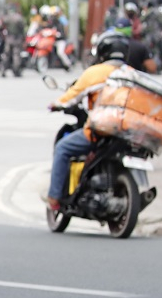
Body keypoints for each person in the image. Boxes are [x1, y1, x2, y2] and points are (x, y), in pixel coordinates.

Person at [43, 31, 130, 212]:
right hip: (129, 131)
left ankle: (54, 198)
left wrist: (55, 105)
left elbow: (71, 96)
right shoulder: (132, 74)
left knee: (63, 148)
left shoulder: (95, 73)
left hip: (101, 131)